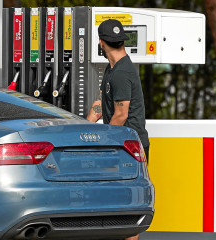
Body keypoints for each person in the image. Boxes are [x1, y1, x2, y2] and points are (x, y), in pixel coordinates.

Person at [86, 19, 150, 240]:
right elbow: (100, 105)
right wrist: (84, 126)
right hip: (122, 146)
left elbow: (121, 115)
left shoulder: (122, 72)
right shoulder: (114, 70)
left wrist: (101, 144)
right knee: (116, 208)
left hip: (128, 149)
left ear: (101, 43)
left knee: (126, 212)